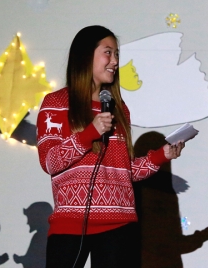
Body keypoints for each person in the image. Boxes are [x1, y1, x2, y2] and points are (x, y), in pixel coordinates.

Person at [37, 25, 185, 268]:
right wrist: (90, 134)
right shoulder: (56, 103)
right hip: (71, 222)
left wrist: (162, 155)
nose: (115, 61)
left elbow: (125, 172)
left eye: (117, 54)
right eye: (108, 52)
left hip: (119, 223)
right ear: (86, 55)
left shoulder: (119, 109)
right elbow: (50, 162)